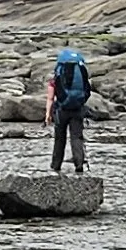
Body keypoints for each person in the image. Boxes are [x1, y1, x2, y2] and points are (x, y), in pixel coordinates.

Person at [43, 37, 91, 174]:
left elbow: (50, 98)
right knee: (77, 137)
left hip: (62, 110)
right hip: (77, 109)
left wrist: (48, 114)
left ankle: (56, 165)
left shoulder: (57, 75)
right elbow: (87, 90)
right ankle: (79, 164)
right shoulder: (81, 72)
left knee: (60, 138)